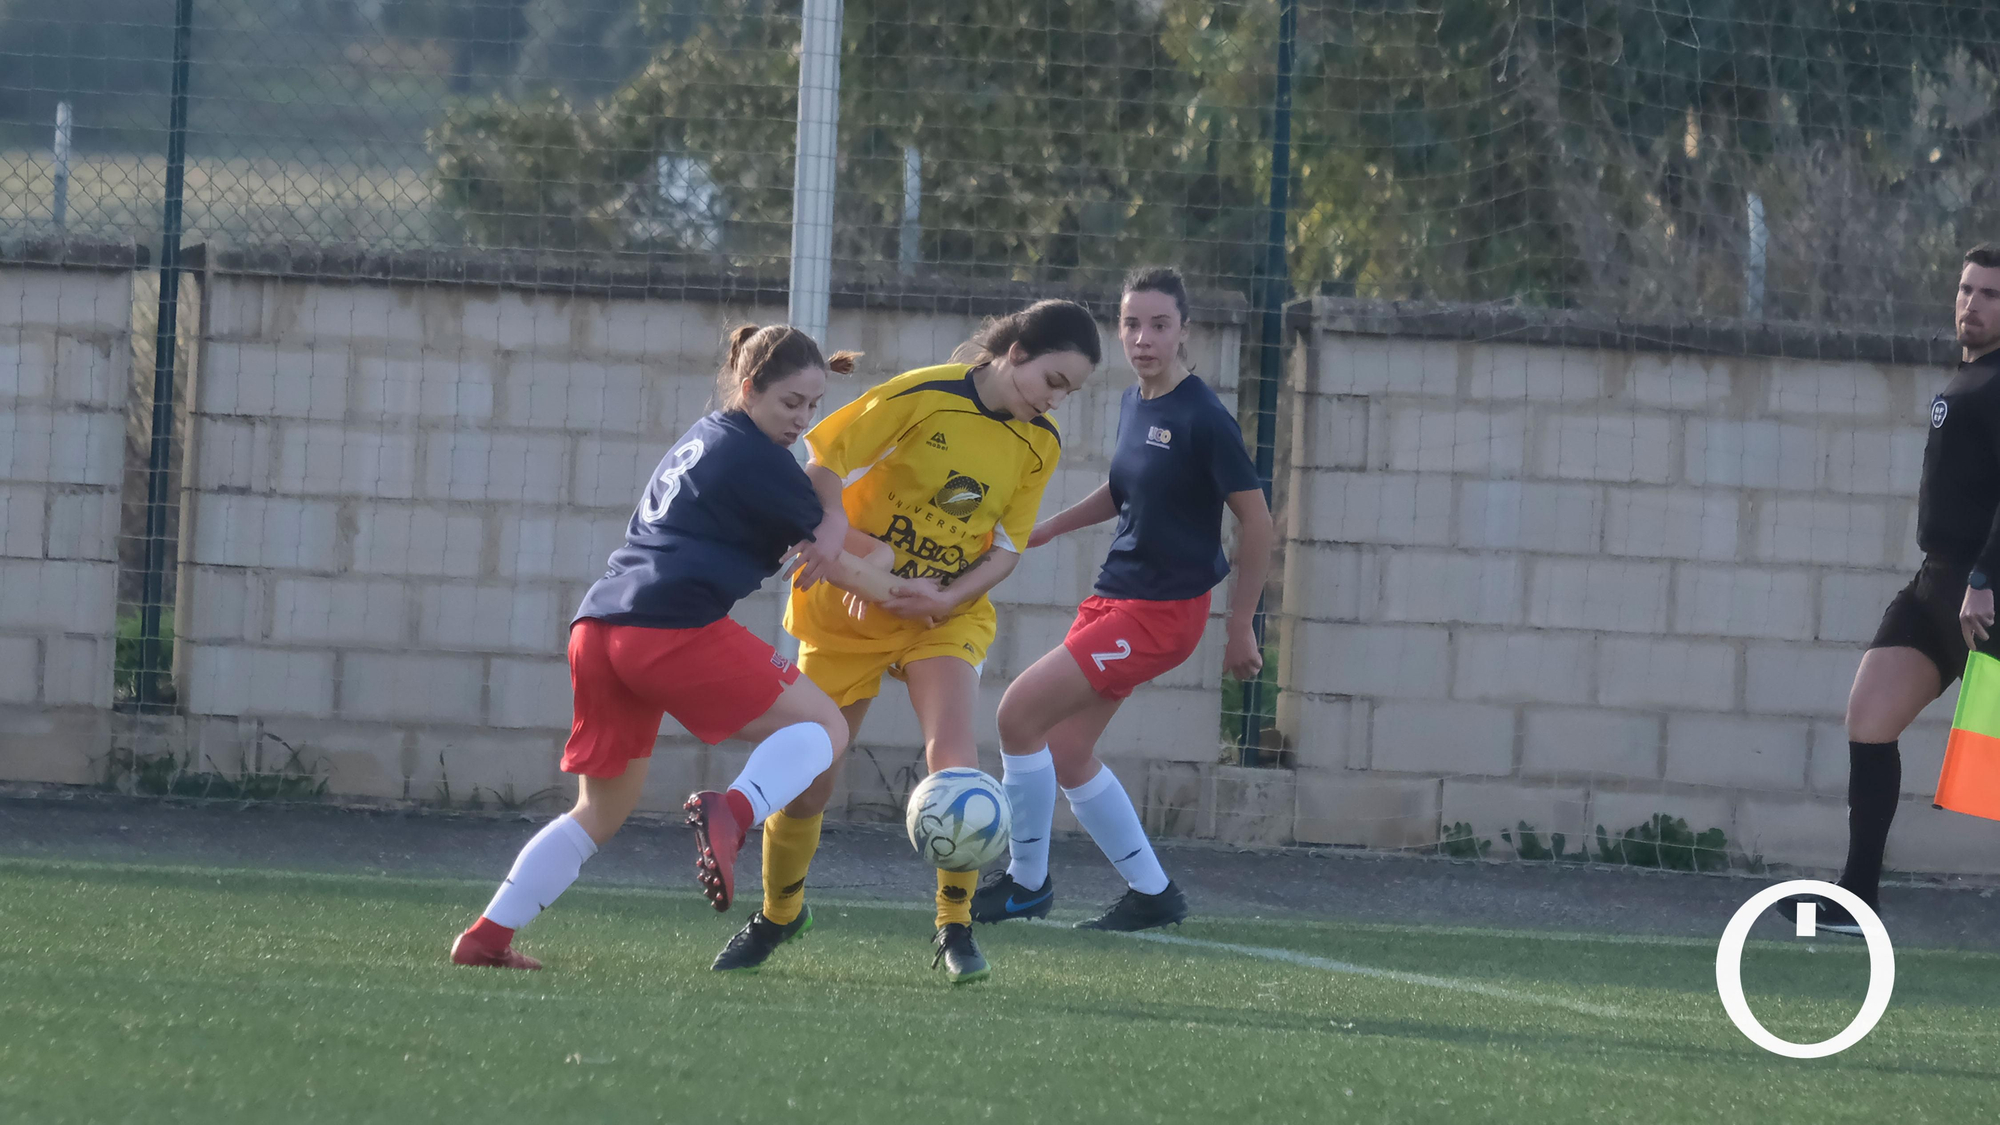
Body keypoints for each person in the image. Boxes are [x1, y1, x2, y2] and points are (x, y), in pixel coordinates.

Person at [450, 325, 900, 970]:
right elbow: (841, 556)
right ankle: (734, 813)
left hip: (599, 625)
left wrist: (848, 539)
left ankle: (487, 937)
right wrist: (918, 592)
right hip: (668, 625)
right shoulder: (761, 461)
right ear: (749, 389)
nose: (801, 420)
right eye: (789, 404)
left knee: (599, 811)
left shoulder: (706, 435)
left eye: (812, 407)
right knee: (826, 726)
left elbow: (835, 537)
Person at [692, 299, 1103, 983]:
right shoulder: (926, 394)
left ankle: (954, 924)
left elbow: (1006, 547)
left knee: (957, 762)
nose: (1057, 401)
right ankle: (779, 913)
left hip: (944, 612)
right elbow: (825, 454)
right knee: (810, 780)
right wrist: (841, 538)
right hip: (851, 609)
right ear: (1019, 353)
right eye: (1054, 381)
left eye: (1071, 392)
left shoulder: (1041, 443)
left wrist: (946, 595)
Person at [968, 267, 1273, 932]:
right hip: (1115, 598)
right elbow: (1123, 488)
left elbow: (1259, 523)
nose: (1143, 338)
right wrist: (1048, 526)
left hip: (1161, 613)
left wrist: (1241, 627)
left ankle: (1027, 880)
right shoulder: (1138, 403)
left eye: (1159, 325)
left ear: (1184, 331)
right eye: (1132, 324)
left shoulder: (1203, 416)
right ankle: (1153, 893)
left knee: (1018, 712)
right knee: (1069, 750)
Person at [1784, 243, 2000, 935]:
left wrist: (1984, 578)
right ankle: (1857, 899)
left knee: (1988, 769)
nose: (1973, 303)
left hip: (1982, 592)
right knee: (1870, 714)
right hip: (1935, 583)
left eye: (1990, 295)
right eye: (1967, 289)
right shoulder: (1966, 378)